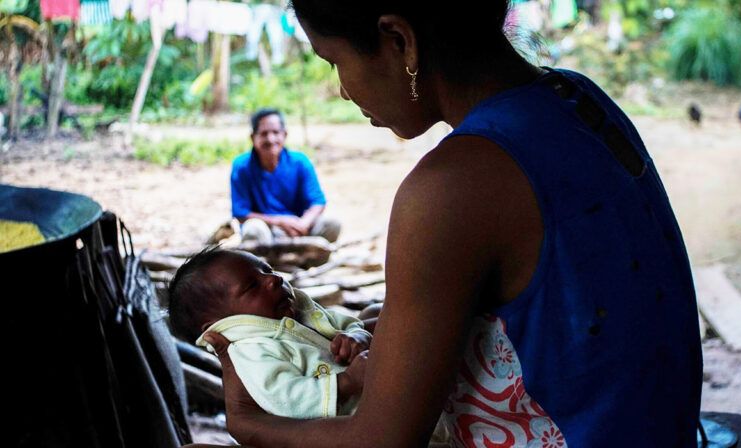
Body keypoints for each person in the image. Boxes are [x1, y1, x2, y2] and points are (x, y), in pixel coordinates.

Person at [198, 2, 703, 447]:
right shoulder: (580, 99)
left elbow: (381, 441)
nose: (344, 91)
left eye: (335, 62)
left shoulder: (450, 185)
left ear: (400, 40)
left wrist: (246, 423)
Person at [168, 247, 372, 418]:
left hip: (374, 392)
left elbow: (350, 324)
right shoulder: (253, 351)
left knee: (372, 313)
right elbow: (287, 399)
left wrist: (357, 337)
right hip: (350, 424)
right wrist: (347, 383)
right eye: (252, 286)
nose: (274, 279)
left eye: (268, 269)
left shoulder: (302, 313)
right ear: (223, 324)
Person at [231, 108, 341, 243]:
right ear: (253, 137)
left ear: (285, 134)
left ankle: (306, 261)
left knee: (331, 224)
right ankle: (265, 262)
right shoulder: (241, 166)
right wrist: (280, 221)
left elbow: (318, 202)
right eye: (264, 133)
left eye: (276, 132)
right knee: (254, 229)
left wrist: (303, 223)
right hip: (266, 232)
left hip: (299, 230)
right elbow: (241, 213)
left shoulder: (300, 162)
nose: (270, 139)